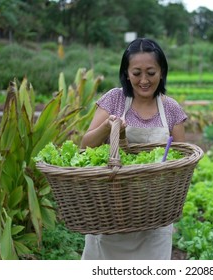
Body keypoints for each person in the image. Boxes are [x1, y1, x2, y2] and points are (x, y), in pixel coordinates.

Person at [80, 38, 187, 260]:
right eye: (137, 73)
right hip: (111, 211)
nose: (144, 80)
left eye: (151, 72)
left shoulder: (171, 109)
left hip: (155, 214)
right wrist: (107, 128)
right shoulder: (114, 99)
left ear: (162, 72)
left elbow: (182, 159)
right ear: (126, 73)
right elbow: (85, 146)